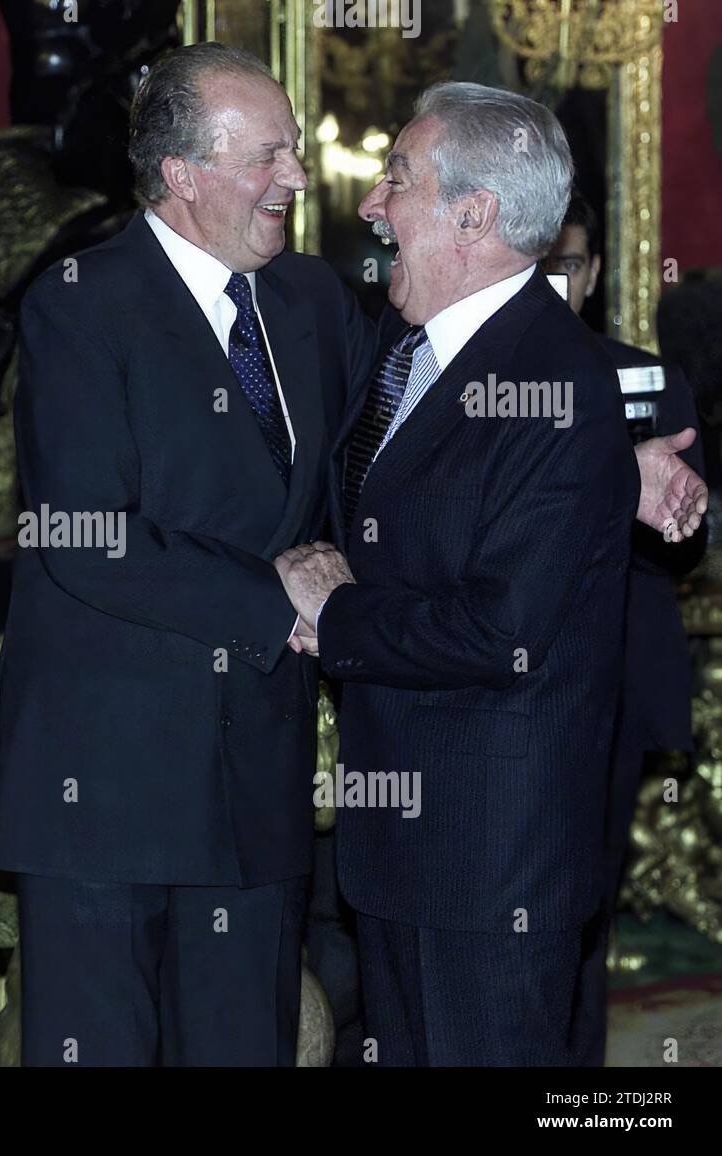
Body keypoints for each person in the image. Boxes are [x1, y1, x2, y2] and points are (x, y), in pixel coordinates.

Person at [279, 81, 704, 1066]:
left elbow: (496, 633)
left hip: (489, 864)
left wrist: (334, 612)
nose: (373, 205)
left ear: (472, 215)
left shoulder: (557, 387)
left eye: (397, 180)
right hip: (400, 853)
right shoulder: (404, 346)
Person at [0, 42, 379, 1066]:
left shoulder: (314, 303)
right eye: (269, 155)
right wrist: (274, 597)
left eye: (294, 151)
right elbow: (84, 535)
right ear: (182, 175)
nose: (295, 176)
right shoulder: (79, 302)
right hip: (105, 786)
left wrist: (609, 452)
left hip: (256, 776)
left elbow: (397, 460)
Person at [546, 190, 707, 1065]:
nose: (552, 285)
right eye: (538, 267)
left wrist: (669, 513)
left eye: (568, 268)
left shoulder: (645, 378)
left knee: (586, 916)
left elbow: (684, 552)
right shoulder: (472, 381)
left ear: (595, 273)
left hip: (607, 688)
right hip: (489, 688)